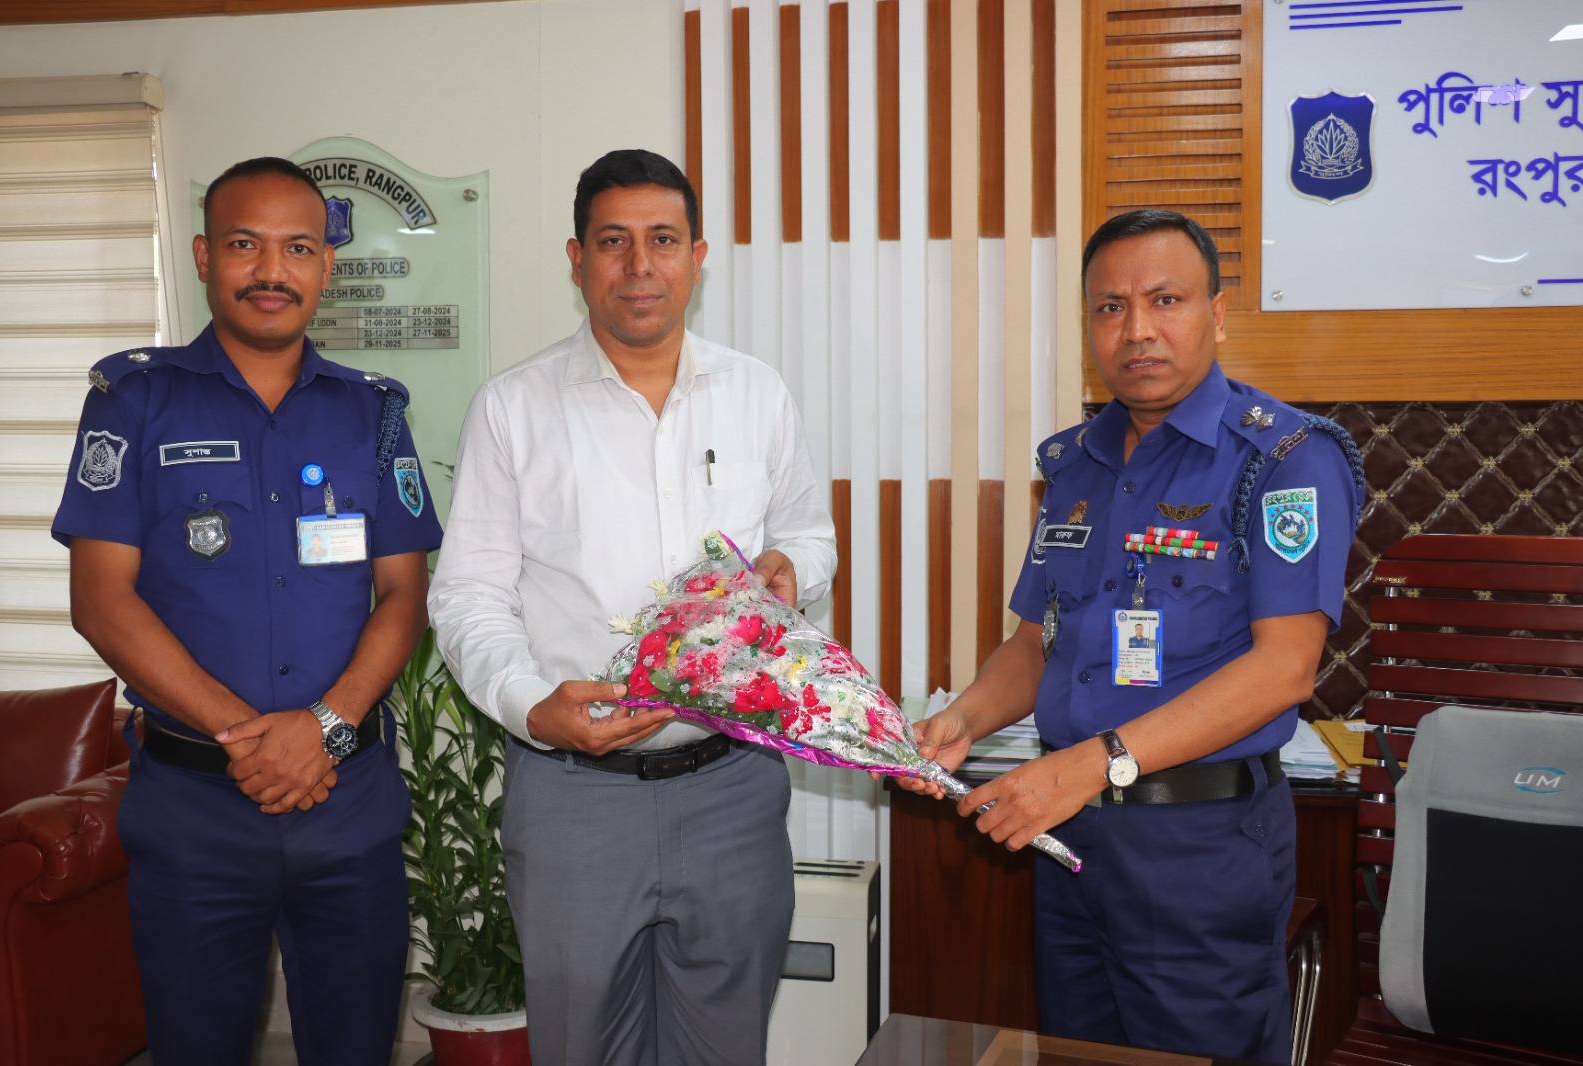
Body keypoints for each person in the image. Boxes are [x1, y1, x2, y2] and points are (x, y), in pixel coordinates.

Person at [900, 209, 1362, 1063]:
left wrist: (1090, 765)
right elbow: (1037, 643)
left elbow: (1285, 671)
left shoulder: (1284, 459)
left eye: (1165, 300)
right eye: (1110, 307)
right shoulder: (1078, 463)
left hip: (1198, 847)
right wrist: (963, 719)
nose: (1138, 329)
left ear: (1215, 314)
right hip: (1070, 842)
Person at [427, 148, 836, 1066]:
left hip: (732, 785)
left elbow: (810, 535)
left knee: (724, 1047)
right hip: (575, 798)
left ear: (699, 257)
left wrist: (789, 568)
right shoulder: (513, 409)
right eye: (613, 242)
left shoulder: (756, 392)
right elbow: (468, 594)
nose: (640, 265)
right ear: (577, 260)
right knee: (583, 1047)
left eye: (663, 240)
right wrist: (533, 706)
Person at [52, 157, 442, 1066]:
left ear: (326, 266)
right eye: (244, 245)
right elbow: (101, 602)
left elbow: (404, 594)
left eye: (297, 248)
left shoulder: (373, 415)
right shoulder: (133, 401)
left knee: (355, 1048)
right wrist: (251, 739)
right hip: (194, 808)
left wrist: (324, 729)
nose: (272, 270)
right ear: (203, 257)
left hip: (347, 801)